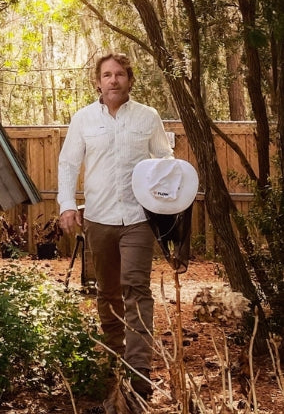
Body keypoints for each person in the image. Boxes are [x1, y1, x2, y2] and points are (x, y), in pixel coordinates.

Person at [57, 53, 173, 402]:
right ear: (98, 82)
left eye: (119, 74)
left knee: (136, 288)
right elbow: (67, 163)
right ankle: (114, 357)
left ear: (129, 80)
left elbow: (165, 162)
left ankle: (139, 374)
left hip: (139, 217)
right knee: (107, 291)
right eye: (106, 75)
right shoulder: (83, 120)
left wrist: (167, 204)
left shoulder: (148, 117)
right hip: (99, 218)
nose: (113, 80)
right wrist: (66, 205)